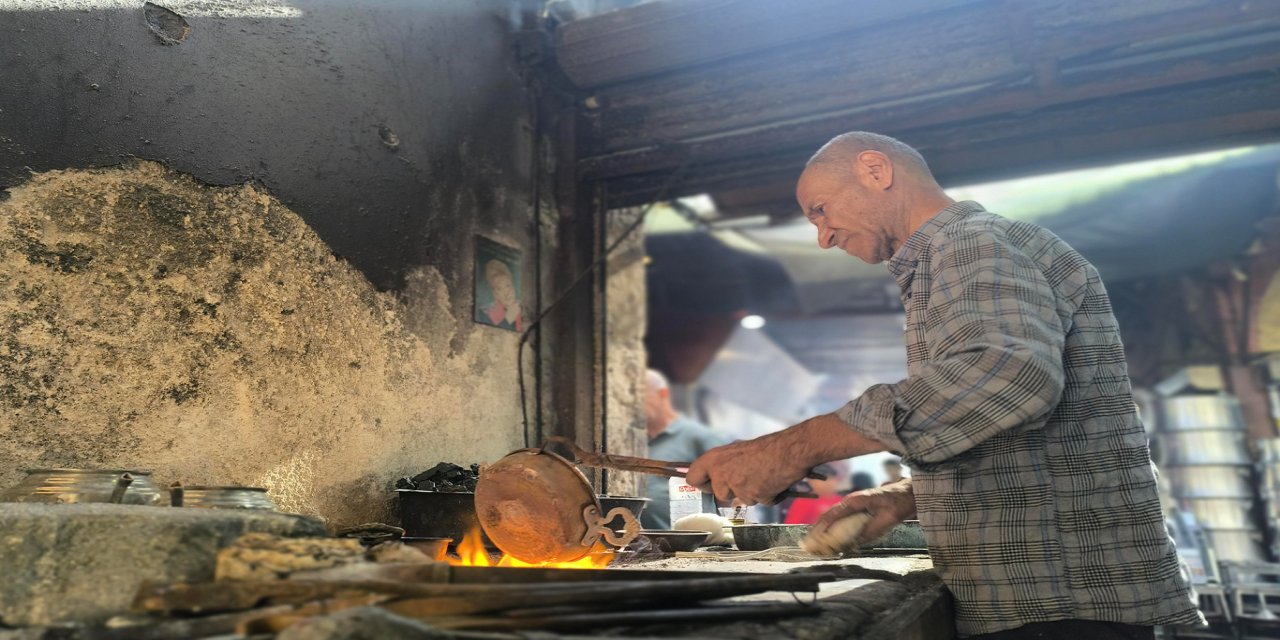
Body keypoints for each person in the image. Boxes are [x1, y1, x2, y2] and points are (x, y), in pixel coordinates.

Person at [685, 132, 1203, 638]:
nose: (823, 236)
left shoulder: (968, 243)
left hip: (1055, 601)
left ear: (875, 170)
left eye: (820, 210)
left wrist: (792, 447)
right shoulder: (960, 254)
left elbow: (1008, 376)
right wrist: (908, 497)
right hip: (1050, 596)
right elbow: (1017, 434)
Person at [640, 369, 727, 530]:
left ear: (662, 394)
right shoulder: (633, 442)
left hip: (693, 548)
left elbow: (731, 493)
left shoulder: (699, 437)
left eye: (642, 395)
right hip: (644, 547)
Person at [482, 259, 522, 331]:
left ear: (514, 288)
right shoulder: (486, 314)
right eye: (499, 288)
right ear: (495, 294)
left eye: (508, 286)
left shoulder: (525, 308)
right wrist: (507, 320)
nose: (507, 292)